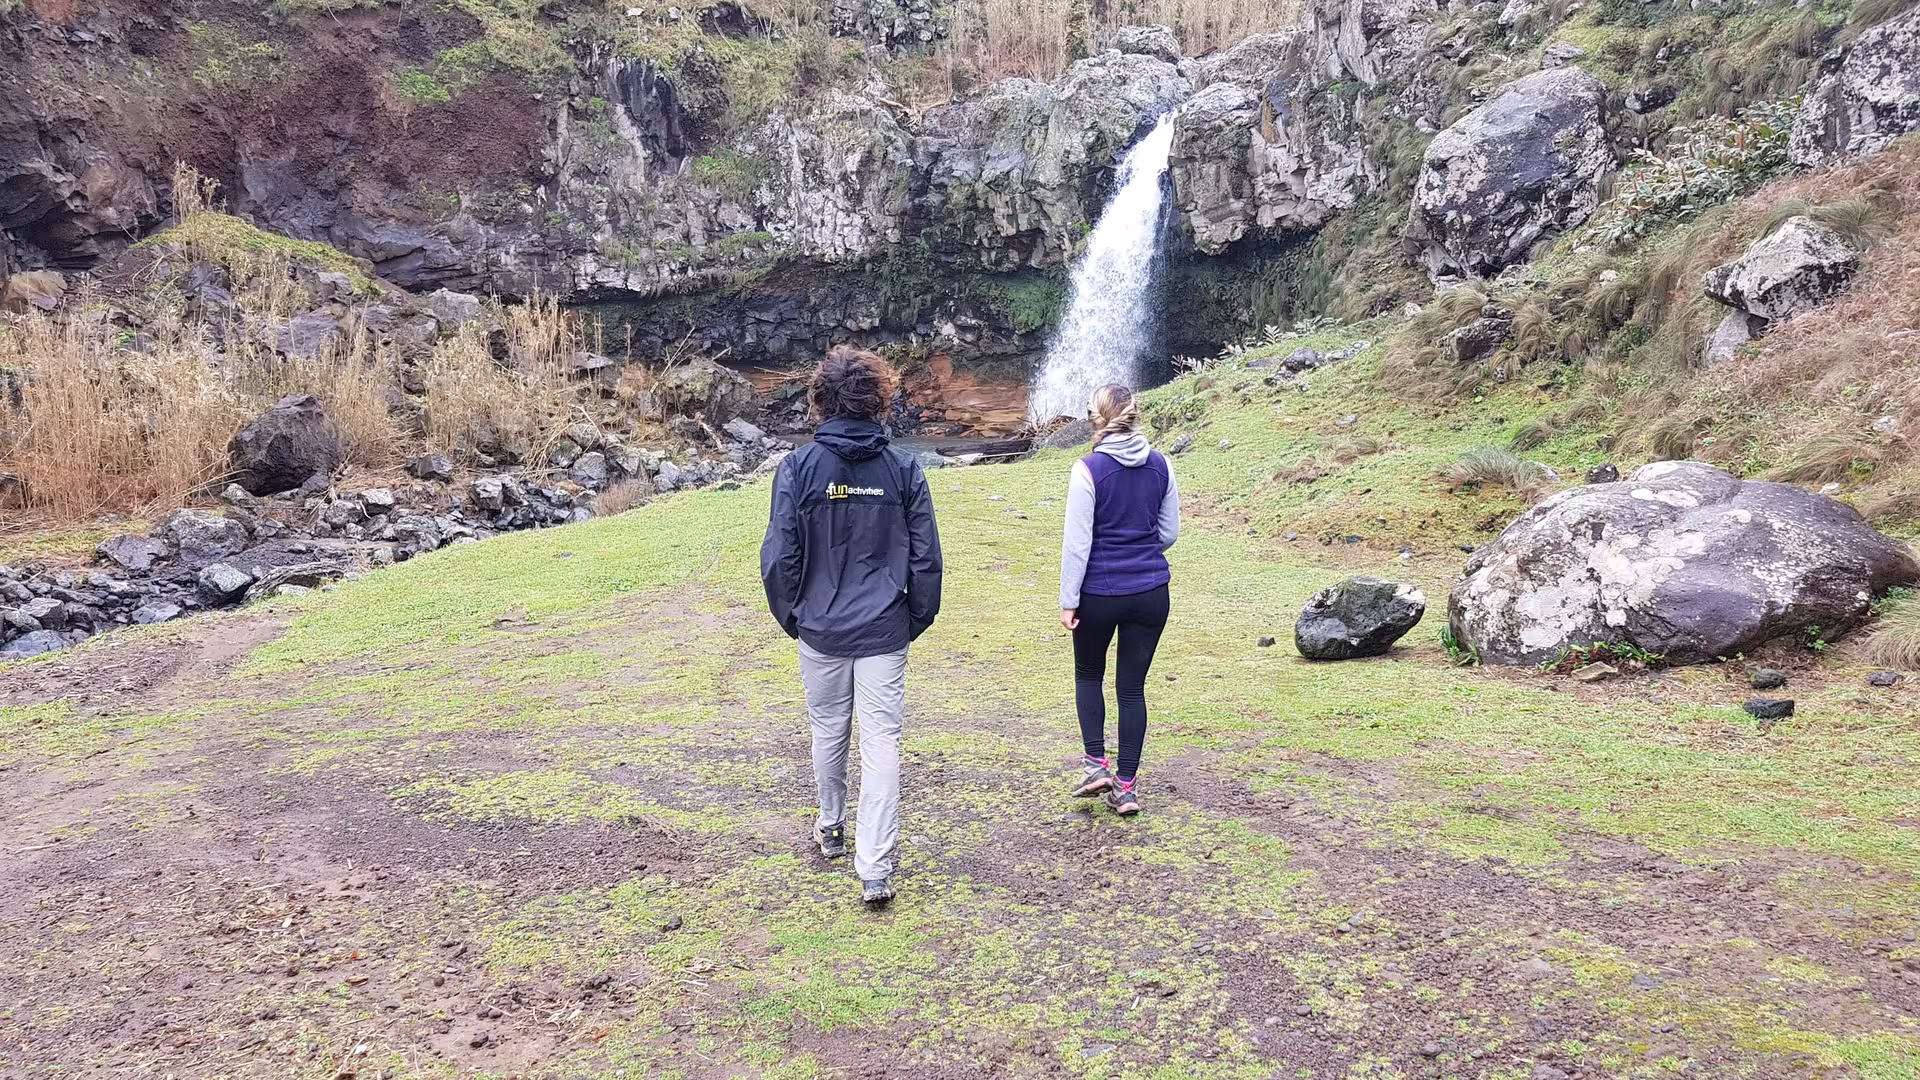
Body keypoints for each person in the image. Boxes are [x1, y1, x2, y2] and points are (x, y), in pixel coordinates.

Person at [761, 346, 943, 905]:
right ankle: (875, 866)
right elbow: (926, 559)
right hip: (883, 627)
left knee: (828, 727)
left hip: (820, 625)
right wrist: (912, 618)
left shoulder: (798, 470)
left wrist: (794, 615)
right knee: (881, 738)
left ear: (821, 399)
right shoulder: (903, 469)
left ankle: (831, 825)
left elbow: (779, 557)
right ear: (877, 398)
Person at [1058, 384, 1179, 816]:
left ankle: (1096, 766)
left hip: (1099, 593)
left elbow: (1077, 544)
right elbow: (1168, 533)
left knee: (1088, 675)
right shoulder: (1163, 464)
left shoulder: (1087, 469)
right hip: (1151, 594)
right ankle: (1125, 788)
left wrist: (1068, 598)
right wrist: (1141, 554)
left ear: (1096, 419)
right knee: (1132, 689)